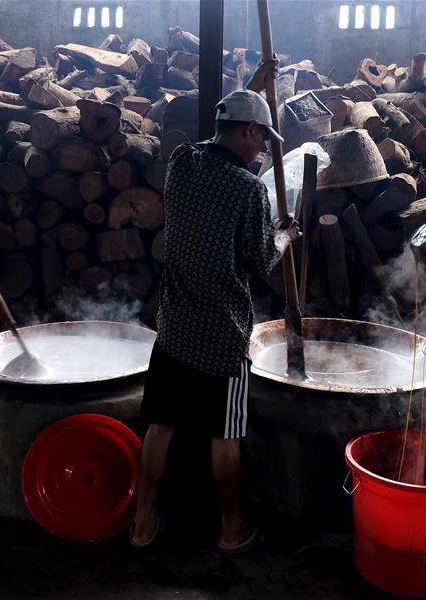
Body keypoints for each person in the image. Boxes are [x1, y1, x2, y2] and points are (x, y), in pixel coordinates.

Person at [131, 60, 301, 552]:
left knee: (160, 427)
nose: (263, 148)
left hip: (175, 327)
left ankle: (142, 524)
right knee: (225, 436)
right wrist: (286, 236)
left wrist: (252, 91)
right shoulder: (248, 188)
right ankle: (231, 528)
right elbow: (258, 257)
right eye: (262, 137)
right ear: (249, 131)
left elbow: (218, 138)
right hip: (222, 338)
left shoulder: (183, 162)